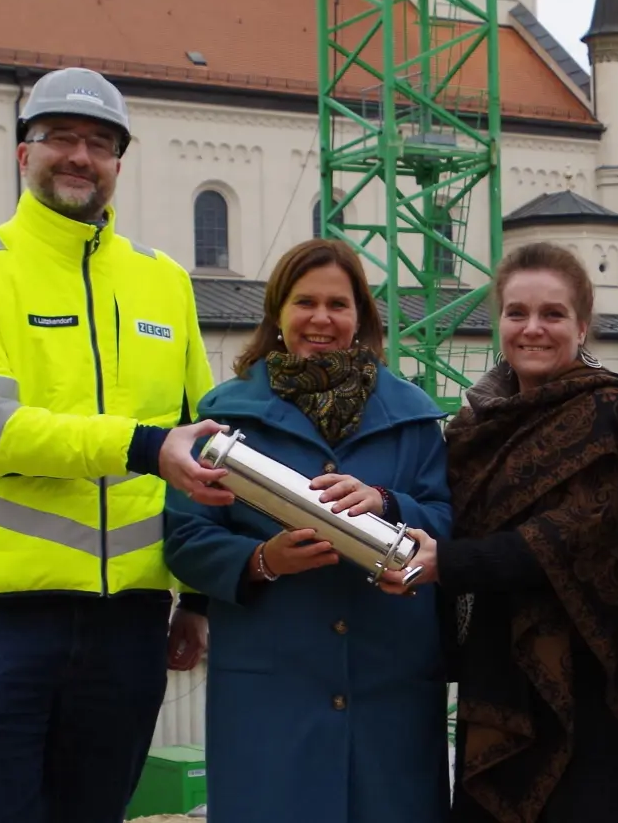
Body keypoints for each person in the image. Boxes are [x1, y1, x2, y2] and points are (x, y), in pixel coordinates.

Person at [0, 66, 234, 823]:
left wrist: (194, 597)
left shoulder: (164, 281)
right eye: (59, 137)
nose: (79, 156)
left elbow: (205, 442)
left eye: (100, 143)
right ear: (22, 154)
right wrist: (141, 446)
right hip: (3, 617)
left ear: (119, 164)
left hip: (127, 621)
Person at [162, 238, 453, 823]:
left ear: (361, 317)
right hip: (272, 691)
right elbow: (185, 537)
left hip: (388, 686)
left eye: (338, 305)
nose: (321, 319)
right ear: (278, 313)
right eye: (304, 303)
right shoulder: (225, 415)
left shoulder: (415, 417)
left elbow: (450, 520)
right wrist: (261, 560)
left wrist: (388, 503)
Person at [379, 242, 618, 823]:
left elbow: (573, 532)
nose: (533, 328)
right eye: (517, 313)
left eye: (553, 314)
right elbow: (439, 508)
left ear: (583, 326)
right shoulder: (475, 423)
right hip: (497, 674)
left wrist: (448, 563)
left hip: (590, 687)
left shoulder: (612, 409)